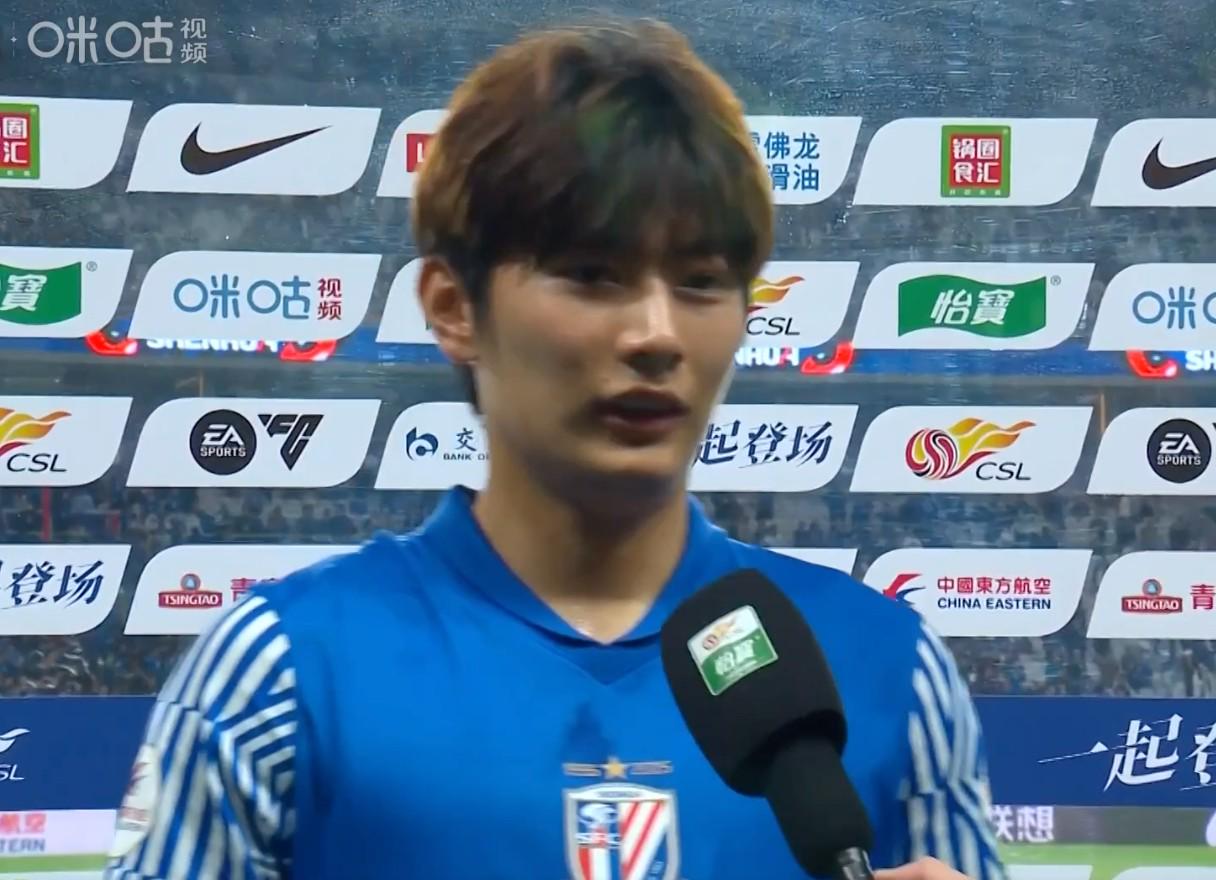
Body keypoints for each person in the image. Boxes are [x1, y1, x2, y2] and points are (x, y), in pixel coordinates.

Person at [103, 19, 1005, 880]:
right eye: (592, 275)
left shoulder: (891, 667)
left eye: (701, 282)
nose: (656, 334)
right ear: (454, 307)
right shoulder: (279, 673)